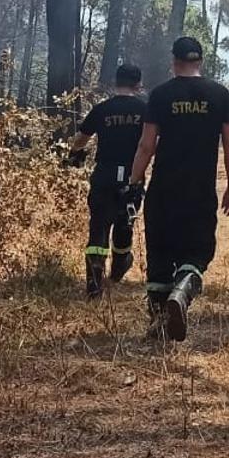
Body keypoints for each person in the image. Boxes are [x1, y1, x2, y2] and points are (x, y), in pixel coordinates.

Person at [122, 37, 229, 341]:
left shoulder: (160, 95)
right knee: (197, 251)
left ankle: (160, 323)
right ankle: (184, 289)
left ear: (173, 62)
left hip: (163, 190)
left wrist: (134, 183)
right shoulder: (219, 95)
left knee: (160, 254)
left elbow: (146, 146)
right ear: (200, 61)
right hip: (200, 192)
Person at [67, 65, 148, 297]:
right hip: (132, 176)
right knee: (125, 224)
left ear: (116, 82)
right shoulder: (145, 110)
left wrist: (74, 154)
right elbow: (151, 142)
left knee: (99, 227)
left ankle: (94, 285)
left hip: (103, 175)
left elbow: (82, 138)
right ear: (138, 84)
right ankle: (119, 267)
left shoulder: (102, 109)